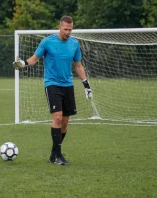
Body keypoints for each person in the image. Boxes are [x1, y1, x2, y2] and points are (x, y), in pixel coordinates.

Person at [13, 16, 93, 166]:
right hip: (52, 84)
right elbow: (34, 59)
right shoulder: (47, 42)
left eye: (70, 29)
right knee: (57, 117)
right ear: (59, 27)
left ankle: (54, 154)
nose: (68, 32)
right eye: (66, 29)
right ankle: (58, 156)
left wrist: (86, 85)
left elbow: (78, 66)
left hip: (68, 84)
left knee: (65, 122)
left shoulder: (74, 44)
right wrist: (23, 63)